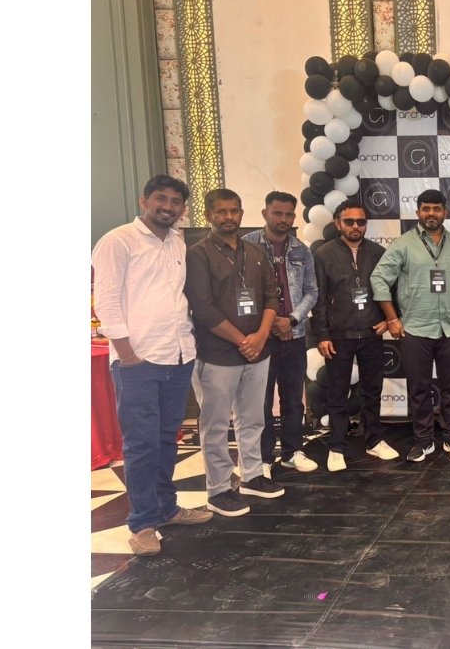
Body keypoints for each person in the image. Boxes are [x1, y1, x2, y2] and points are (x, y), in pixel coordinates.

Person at [91, 174, 211, 555]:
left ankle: (166, 508)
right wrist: (127, 355)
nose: (168, 207)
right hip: (138, 362)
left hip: (178, 355)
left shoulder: (177, 241)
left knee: (166, 438)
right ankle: (142, 523)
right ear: (145, 200)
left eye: (175, 202)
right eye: (161, 199)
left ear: (182, 209)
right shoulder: (118, 241)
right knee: (141, 443)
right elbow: (106, 302)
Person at [185, 188, 285, 517]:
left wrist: (261, 336)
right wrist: (244, 340)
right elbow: (202, 308)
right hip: (218, 353)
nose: (228, 217)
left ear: (242, 213)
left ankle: (252, 476)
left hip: (258, 350)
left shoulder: (255, 251)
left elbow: (271, 297)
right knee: (215, 425)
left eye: (234, 211)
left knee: (253, 418)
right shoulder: (198, 254)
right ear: (208, 215)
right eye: (221, 211)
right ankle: (218, 489)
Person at [371, 189, 450, 462]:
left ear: (445, 212)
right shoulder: (403, 244)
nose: (431, 214)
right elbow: (379, 279)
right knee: (418, 390)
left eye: (437, 209)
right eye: (426, 209)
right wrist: (392, 319)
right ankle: (424, 440)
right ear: (418, 212)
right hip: (415, 330)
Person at [313, 199, 398, 470]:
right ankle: (336, 446)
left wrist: (389, 318)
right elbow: (319, 298)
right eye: (349, 221)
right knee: (337, 392)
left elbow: (394, 288)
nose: (355, 226)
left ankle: (374, 440)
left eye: (361, 222)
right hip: (338, 334)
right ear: (338, 223)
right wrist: (322, 334)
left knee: (372, 390)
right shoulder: (324, 254)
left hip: (371, 333)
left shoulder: (378, 252)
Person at [242, 191, 319, 475]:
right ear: (265, 213)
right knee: (260, 402)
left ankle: (292, 452)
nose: (283, 219)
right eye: (278, 213)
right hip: (260, 337)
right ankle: (263, 459)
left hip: (294, 336)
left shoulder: (301, 250)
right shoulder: (247, 246)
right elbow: (243, 290)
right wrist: (272, 322)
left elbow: (312, 291)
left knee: (293, 399)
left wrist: (293, 319)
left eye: (288, 214)